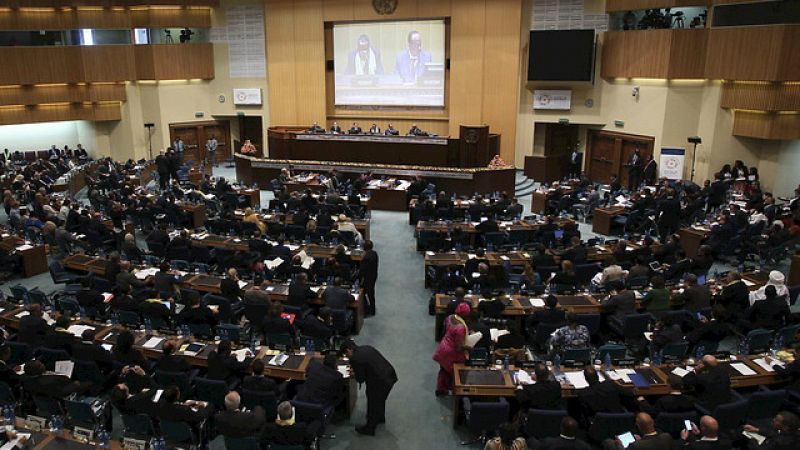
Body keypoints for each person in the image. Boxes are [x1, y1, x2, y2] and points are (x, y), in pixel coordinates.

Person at [340, 339, 398, 435]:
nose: (347, 356)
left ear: (349, 350)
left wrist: (354, 374)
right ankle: (380, 418)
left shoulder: (355, 358)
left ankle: (370, 428)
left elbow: (361, 379)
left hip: (379, 382)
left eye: (346, 354)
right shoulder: (366, 347)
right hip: (389, 375)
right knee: (380, 399)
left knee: (373, 402)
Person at [433, 303, 471, 396]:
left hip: (443, 347)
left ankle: (441, 389)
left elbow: (448, 332)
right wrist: (468, 347)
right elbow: (459, 347)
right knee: (456, 373)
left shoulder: (450, 317)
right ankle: (456, 390)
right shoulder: (460, 327)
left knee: (443, 370)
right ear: (465, 314)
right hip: (452, 352)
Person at [604, 412, 672, 450]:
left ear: (638, 426)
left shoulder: (635, 445)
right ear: (653, 422)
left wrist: (619, 444)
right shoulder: (666, 437)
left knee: (608, 441)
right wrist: (641, 440)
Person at [359, 240, 379, 316]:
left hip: (368, 278)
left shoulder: (365, 258)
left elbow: (362, 271)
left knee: (363, 293)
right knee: (371, 293)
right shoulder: (374, 253)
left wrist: (358, 279)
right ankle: (372, 309)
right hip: (373, 275)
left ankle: (367, 310)